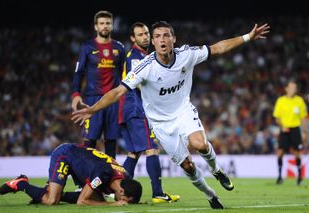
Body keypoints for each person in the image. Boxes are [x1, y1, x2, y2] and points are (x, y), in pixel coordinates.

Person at [72, 20, 270, 209]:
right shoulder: (144, 66)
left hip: (183, 111)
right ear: (153, 42)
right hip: (160, 124)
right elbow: (118, 91)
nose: (162, 40)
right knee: (188, 166)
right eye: (157, 36)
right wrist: (93, 109)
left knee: (199, 144)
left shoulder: (187, 54)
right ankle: (211, 195)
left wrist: (247, 37)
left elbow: (217, 48)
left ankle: (216, 170)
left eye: (166, 35)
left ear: (173, 39)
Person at [118, 22, 180, 203]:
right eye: (140, 34)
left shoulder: (144, 56)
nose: (145, 37)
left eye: (146, 33)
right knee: (152, 149)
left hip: (129, 110)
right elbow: (136, 83)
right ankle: (158, 193)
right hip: (138, 109)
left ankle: (116, 190)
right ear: (133, 38)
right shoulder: (136, 57)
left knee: (133, 153)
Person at [0, 143, 142, 206]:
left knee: (97, 197)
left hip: (80, 158)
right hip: (65, 155)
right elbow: (81, 202)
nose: (124, 202)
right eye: (125, 200)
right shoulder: (102, 174)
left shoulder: (125, 177)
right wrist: (114, 204)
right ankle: (21, 183)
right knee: (51, 201)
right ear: (121, 191)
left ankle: (46, 193)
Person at [71, 10, 126, 158]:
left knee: (111, 142)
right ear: (96, 26)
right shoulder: (87, 47)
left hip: (113, 101)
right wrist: (76, 94)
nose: (105, 26)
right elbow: (78, 72)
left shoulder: (119, 48)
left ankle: (111, 178)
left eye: (108, 23)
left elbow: (125, 76)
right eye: (102, 23)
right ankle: (86, 178)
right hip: (92, 100)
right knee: (90, 142)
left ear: (112, 26)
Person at [273, 80, 308, 185]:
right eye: (291, 87)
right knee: (280, 152)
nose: (293, 89)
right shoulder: (281, 100)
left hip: (295, 129)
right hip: (285, 129)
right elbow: (277, 118)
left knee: (298, 153)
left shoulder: (300, 101)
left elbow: (303, 118)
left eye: (295, 88)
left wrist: (305, 132)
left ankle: (299, 177)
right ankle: (279, 176)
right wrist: (282, 127)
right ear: (286, 88)